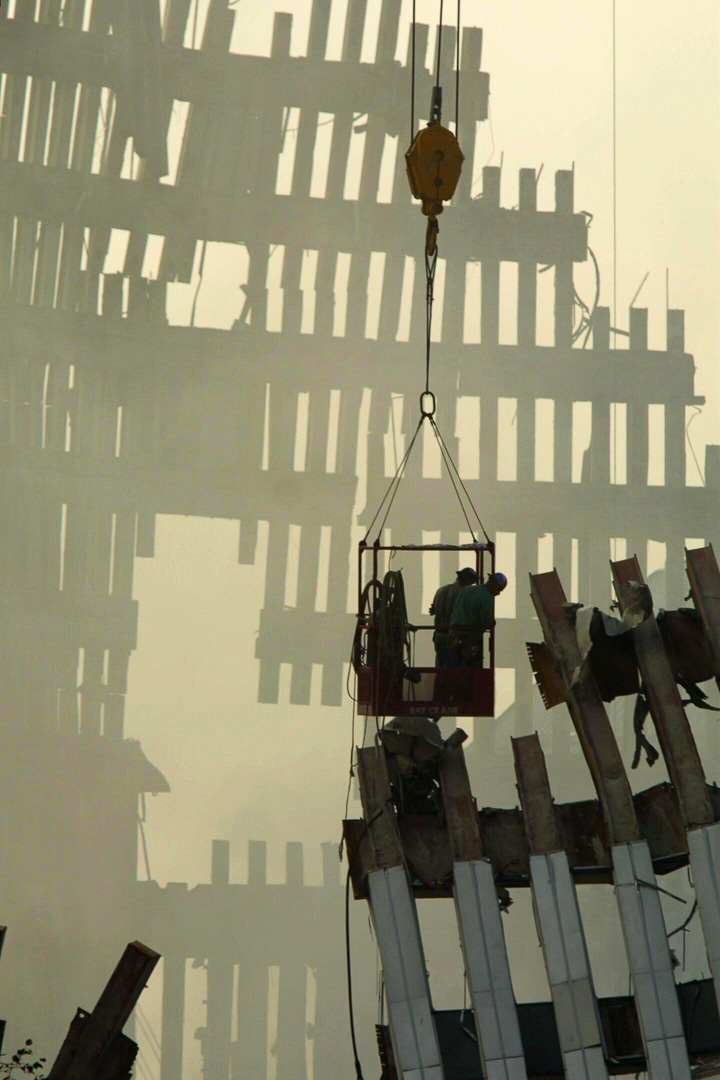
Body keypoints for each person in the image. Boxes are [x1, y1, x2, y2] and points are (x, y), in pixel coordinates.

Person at [448, 571, 508, 667]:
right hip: (470, 638)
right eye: (499, 589)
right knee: (471, 672)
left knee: (452, 669)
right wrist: (492, 623)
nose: (498, 593)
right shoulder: (487, 597)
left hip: (454, 635)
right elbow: (486, 621)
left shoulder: (466, 590)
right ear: (494, 584)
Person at [429, 568, 478, 667]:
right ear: (466, 579)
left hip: (438, 637)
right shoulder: (462, 594)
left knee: (440, 670)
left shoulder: (440, 590)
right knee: (453, 672)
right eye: (471, 582)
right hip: (453, 638)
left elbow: (433, 611)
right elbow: (464, 617)